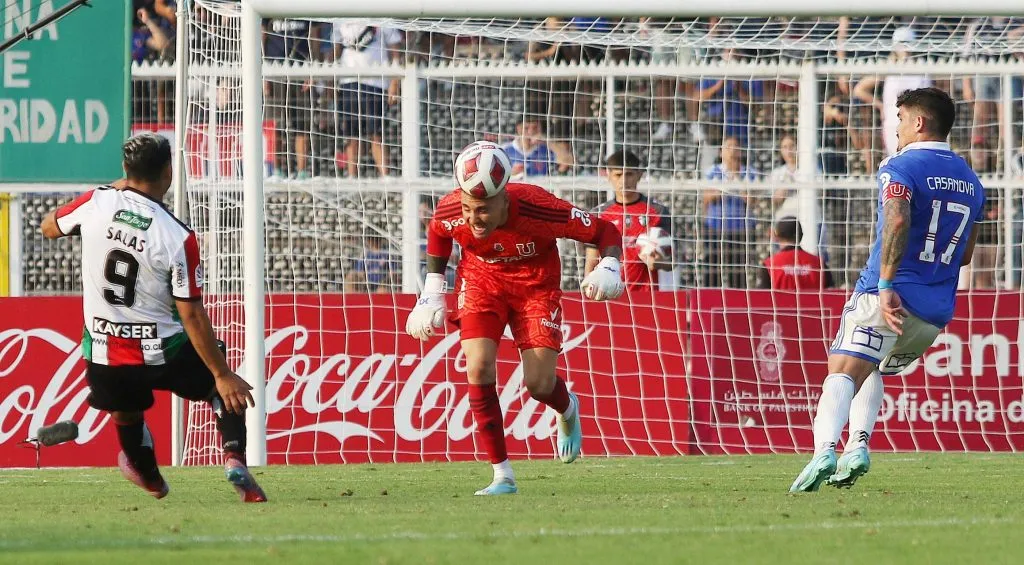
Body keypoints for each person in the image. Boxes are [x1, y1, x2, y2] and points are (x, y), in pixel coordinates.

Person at [40, 134, 267, 503]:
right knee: (219, 381)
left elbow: (49, 226)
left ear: (126, 170)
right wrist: (222, 373)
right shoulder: (176, 236)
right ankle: (234, 457)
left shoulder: (97, 201)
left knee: (126, 414)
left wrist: (111, 190)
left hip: (105, 351)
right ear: (168, 171)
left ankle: (152, 480)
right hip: (162, 351)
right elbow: (190, 312)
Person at [790, 88, 985, 492]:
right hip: (933, 312)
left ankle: (824, 449)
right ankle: (858, 446)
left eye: (899, 118)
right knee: (873, 366)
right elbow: (965, 254)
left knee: (842, 371)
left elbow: (896, 221)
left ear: (918, 122)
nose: (894, 128)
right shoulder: (972, 180)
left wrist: (885, 284)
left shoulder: (901, 164)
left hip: (890, 294)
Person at [405, 142, 624, 495]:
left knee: (538, 384)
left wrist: (610, 265)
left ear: (504, 199)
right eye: (467, 209)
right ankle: (502, 475)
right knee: (478, 368)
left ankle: (567, 409)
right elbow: (439, 232)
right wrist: (431, 292)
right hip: (481, 280)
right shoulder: (451, 208)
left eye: (483, 211)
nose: (473, 220)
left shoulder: (541, 207)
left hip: (536, 285)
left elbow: (605, 232)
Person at [584, 149, 673, 291]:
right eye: (618, 175)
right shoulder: (598, 215)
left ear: (639, 175)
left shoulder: (658, 212)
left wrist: (658, 262)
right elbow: (591, 262)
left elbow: (673, 262)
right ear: (609, 176)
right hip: (608, 294)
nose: (624, 181)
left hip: (647, 297)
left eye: (629, 174)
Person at [756, 217, 833, 290]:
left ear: (777, 237)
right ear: (801, 236)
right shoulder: (819, 264)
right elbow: (830, 295)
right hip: (813, 304)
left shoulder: (770, 265)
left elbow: (762, 297)